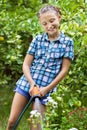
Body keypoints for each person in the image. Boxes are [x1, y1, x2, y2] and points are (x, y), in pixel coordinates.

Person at [6, 4, 74, 130]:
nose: (49, 26)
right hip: (27, 83)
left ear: (59, 17)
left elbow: (64, 70)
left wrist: (47, 89)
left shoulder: (67, 42)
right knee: (11, 122)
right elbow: (26, 64)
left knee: (36, 127)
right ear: (41, 24)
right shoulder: (37, 39)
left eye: (52, 20)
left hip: (46, 89)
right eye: (44, 23)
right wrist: (32, 84)